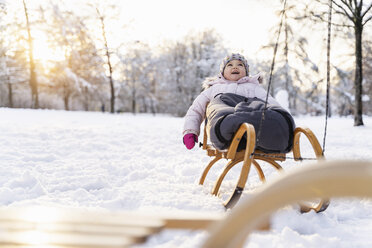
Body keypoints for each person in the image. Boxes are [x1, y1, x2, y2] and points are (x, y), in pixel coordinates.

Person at [183, 53, 281, 150]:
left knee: (260, 108)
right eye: (230, 65)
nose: (235, 67)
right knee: (218, 105)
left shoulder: (254, 88)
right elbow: (196, 109)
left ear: (246, 72)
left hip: (252, 129)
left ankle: (260, 134)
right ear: (222, 72)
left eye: (240, 65)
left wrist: (284, 120)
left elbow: (273, 105)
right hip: (222, 129)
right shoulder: (214, 89)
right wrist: (190, 130)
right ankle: (229, 127)